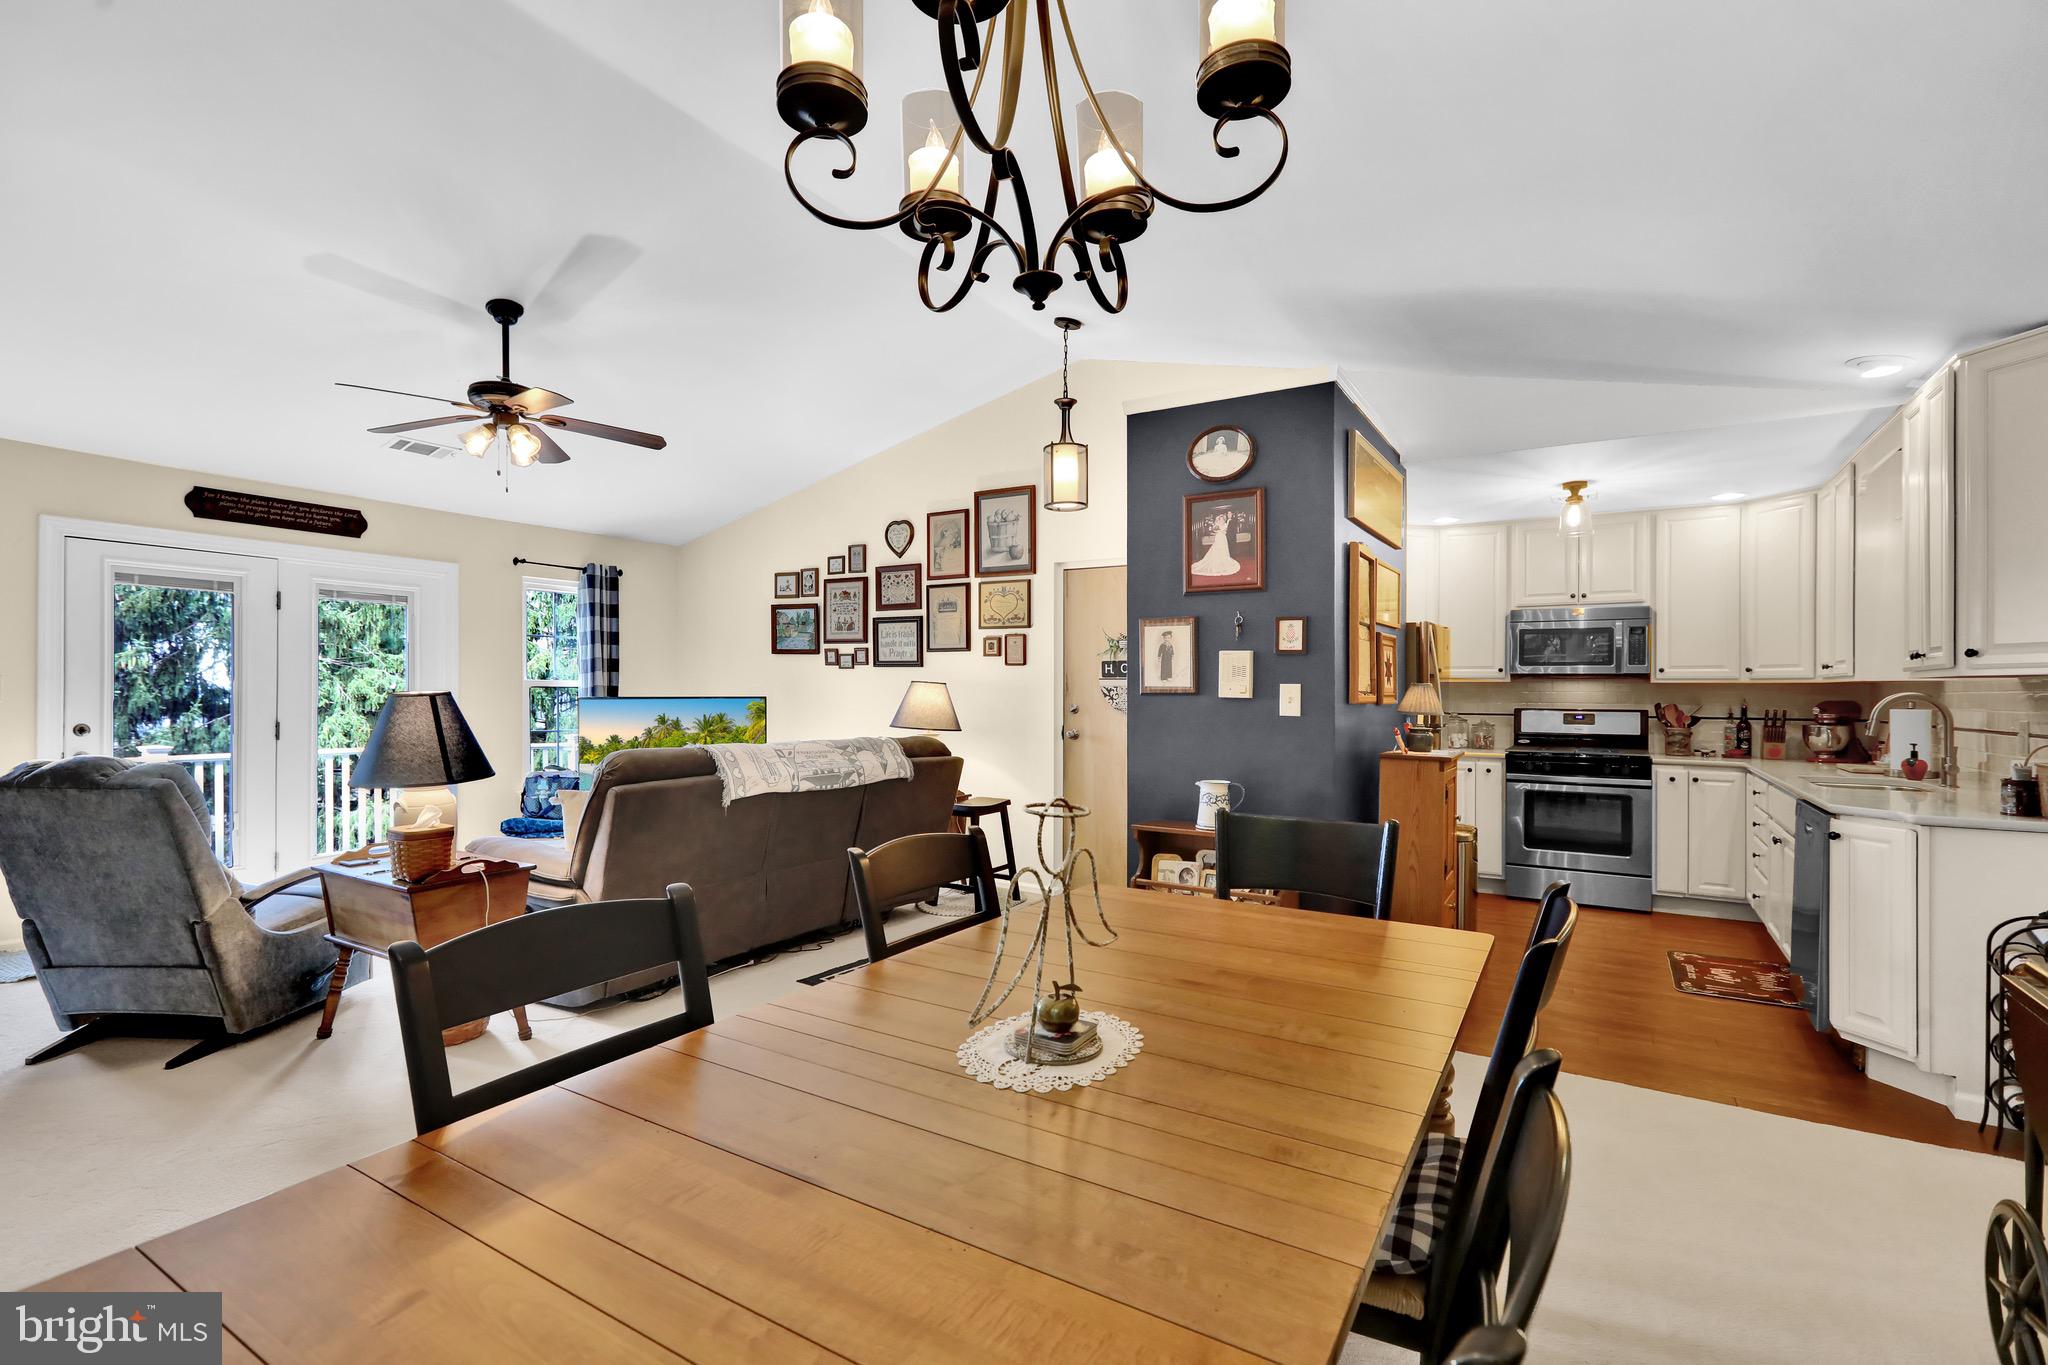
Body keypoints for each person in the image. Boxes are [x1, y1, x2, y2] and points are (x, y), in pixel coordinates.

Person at [1190, 509, 1241, 578]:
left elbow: (1225, 529)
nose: (1222, 520)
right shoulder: (1217, 524)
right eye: (1221, 519)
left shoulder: (1226, 523)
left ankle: (1223, 562)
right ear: (1219, 519)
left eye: (1223, 519)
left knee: (1223, 550)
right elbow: (1214, 530)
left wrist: (1222, 529)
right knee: (1217, 549)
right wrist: (1217, 531)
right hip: (1218, 538)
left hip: (1223, 538)